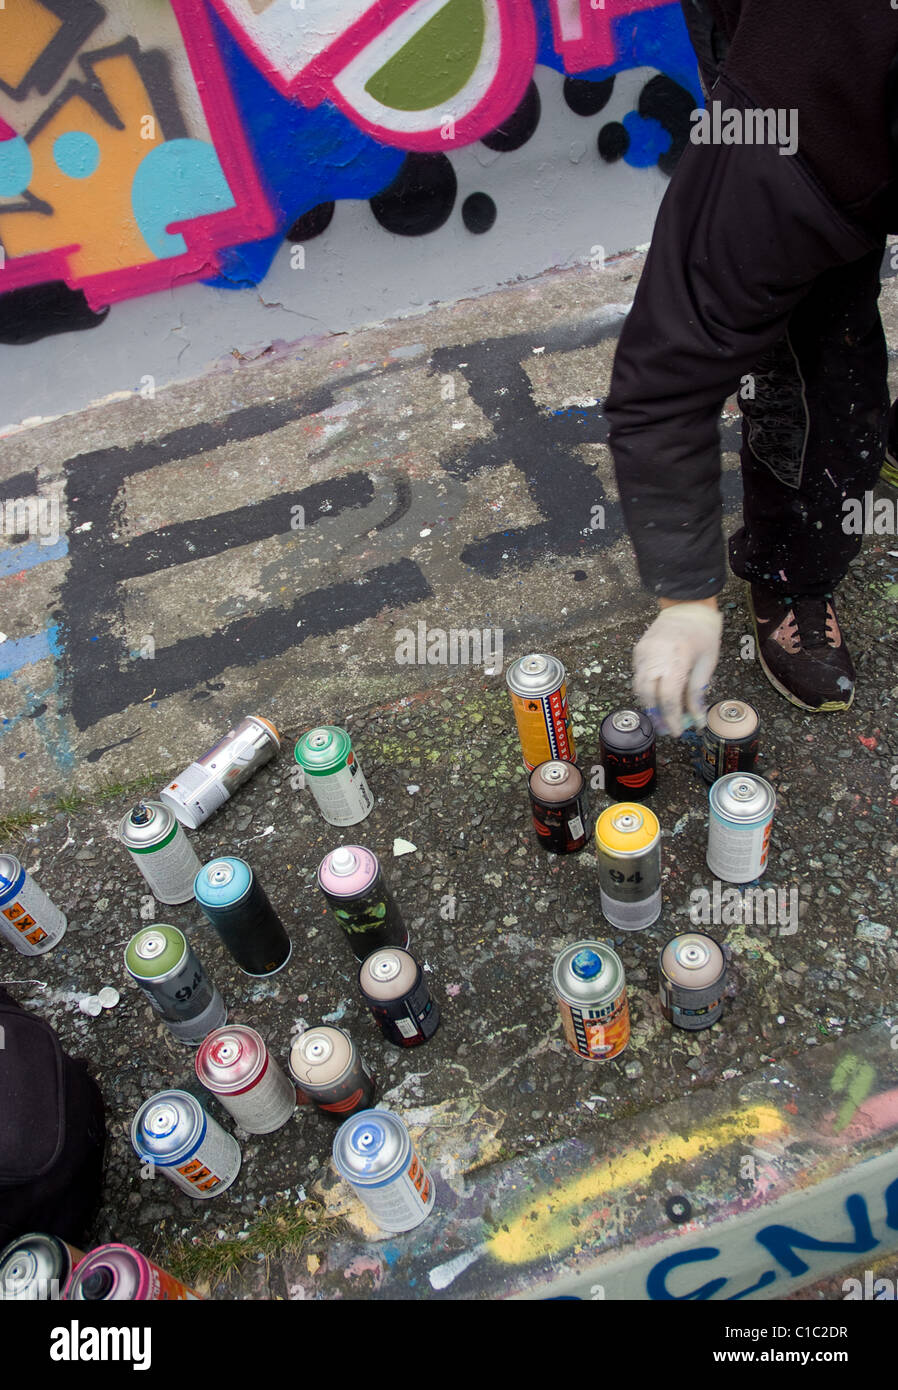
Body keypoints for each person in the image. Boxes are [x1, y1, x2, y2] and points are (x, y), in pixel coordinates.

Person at [604, 0, 898, 735]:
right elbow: (668, 373)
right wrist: (686, 598)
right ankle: (791, 566)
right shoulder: (789, 144)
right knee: (820, 339)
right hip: (814, 101)